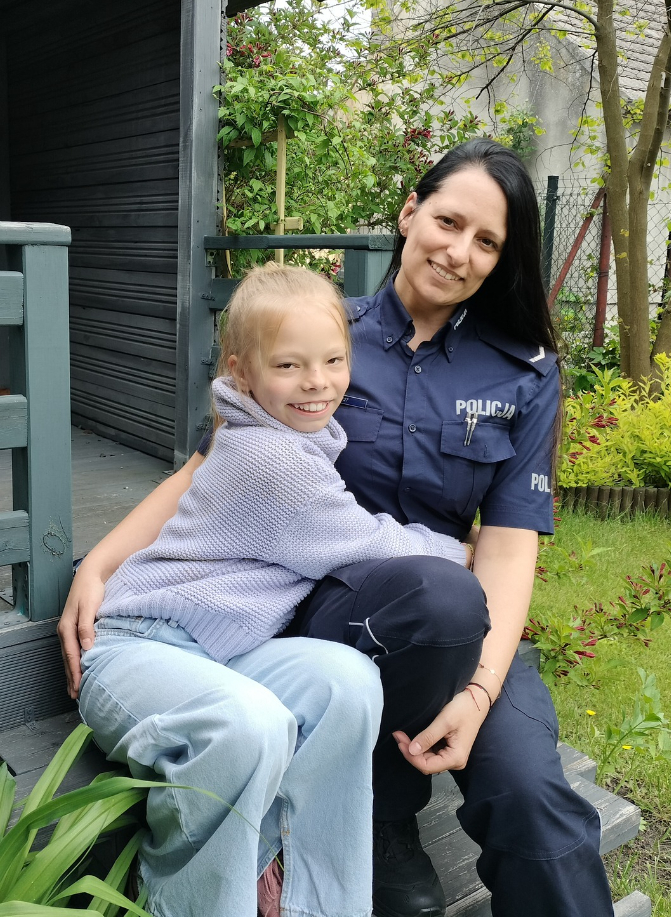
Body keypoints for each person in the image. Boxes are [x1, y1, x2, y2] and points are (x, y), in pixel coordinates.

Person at [63, 139, 613, 917]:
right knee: (436, 590)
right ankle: (383, 817)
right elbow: (207, 468)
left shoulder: (523, 372)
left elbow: (509, 544)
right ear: (410, 211)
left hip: (464, 621)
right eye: (449, 221)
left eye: (487, 241)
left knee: (533, 796)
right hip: (335, 608)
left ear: (501, 258)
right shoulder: (320, 339)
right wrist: (100, 564)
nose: (459, 251)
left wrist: (483, 690)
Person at [75, 263, 482, 917]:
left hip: (220, 655)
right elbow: (371, 542)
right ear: (242, 372)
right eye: (289, 366)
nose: (317, 382)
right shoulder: (269, 458)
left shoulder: (284, 439)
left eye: (332, 360)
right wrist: (466, 552)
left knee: (349, 682)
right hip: (136, 648)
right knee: (250, 723)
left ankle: (315, 902)